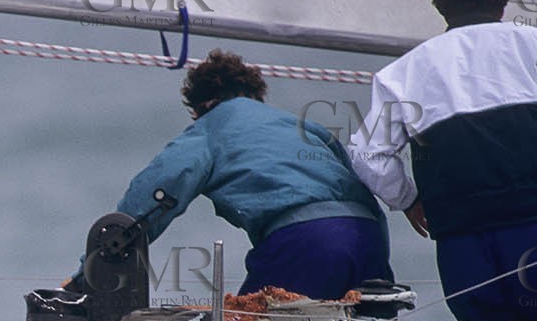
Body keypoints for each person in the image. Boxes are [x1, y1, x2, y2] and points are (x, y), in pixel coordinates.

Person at [348, 0, 537, 321]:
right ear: (504, 0)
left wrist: (409, 200)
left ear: (441, 9)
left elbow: (366, 155)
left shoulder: (405, 71)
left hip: (462, 243)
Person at [109, 49, 393, 299]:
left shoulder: (212, 126)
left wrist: (100, 262)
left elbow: (159, 189)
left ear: (202, 107)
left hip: (306, 242)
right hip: (368, 240)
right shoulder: (304, 127)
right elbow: (360, 185)